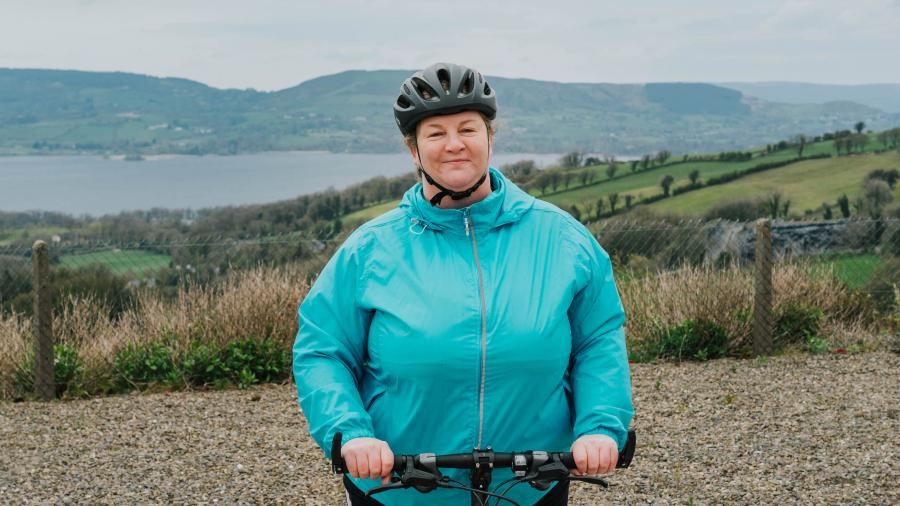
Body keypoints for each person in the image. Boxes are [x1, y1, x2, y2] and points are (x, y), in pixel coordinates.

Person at [292, 62, 634, 506]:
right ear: (414, 151)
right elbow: (323, 350)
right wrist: (352, 434)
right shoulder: (370, 249)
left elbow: (598, 340)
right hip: (400, 485)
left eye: (468, 129)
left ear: (490, 138)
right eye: (435, 133)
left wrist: (600, 426)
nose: (454, 145)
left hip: (530, 483)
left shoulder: (562, 238)